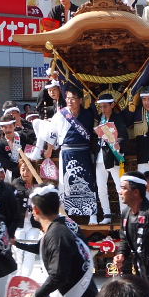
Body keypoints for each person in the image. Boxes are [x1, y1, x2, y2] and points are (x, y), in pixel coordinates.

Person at [17, 184, 98, 297]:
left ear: (36, 210)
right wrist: (16, 243)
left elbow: (58, 276)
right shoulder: (61, 227)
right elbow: (43, 248)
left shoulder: (57, 235)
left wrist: (34, 296)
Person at [45, 85, 98, 222]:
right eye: (68, 98)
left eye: (73, 98)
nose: (70, 101)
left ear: (80, 100)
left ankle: (92, 214)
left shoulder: (88, 114)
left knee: (88, 181)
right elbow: (52, 134)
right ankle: (65, 213)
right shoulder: (60, 115)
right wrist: (49, 149)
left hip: (84, 152)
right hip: (66, 152)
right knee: (65, 183)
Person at [94, 93, 129, 224]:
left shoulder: (118, 118)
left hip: (113, 155)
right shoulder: (99, 118)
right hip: (99, 156)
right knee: (101, 187)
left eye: (105, 106)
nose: (103, 109)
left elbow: (124, 135)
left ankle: (124, 214)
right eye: (101, 107)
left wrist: (119, 142)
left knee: (120, 187)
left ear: (112, 105)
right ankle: (107, 214)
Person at [11, 161, 41, 277]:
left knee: (30, 252)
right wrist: (39, 189)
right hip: (19, 223)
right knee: (18, 252)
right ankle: (17, 277)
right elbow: (23, 192)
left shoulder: (38, 182)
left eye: (28, 169)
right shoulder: (17, 183)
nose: (25, 173)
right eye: (23, 169)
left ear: (34, 171)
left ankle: (25, 278)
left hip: (33, 224)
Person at [0, 113, 28, 180]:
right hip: (11, 175)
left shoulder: (23, 136)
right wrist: (19, 167)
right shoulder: (0, 145)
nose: (8, 130)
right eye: (5, 127)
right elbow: (4, 162)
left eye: (10, 126)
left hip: (27, 171)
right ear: (1, 128)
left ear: (14, 125)